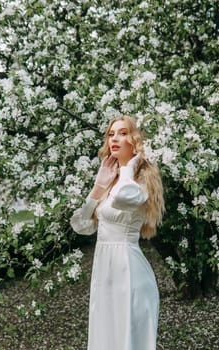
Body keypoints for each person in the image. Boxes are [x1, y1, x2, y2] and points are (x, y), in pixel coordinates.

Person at [70, 115, 165, 350]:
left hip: (129, 272)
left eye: (123, 133)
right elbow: (82, 225)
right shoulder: (111, 181)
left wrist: (129, 166)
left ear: (134, 140)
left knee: (126, 341)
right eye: (111, 134)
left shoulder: (142, 180)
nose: (115, 139)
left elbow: (124, 198)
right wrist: (98, 186)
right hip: (104, 271)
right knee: (105, 339)